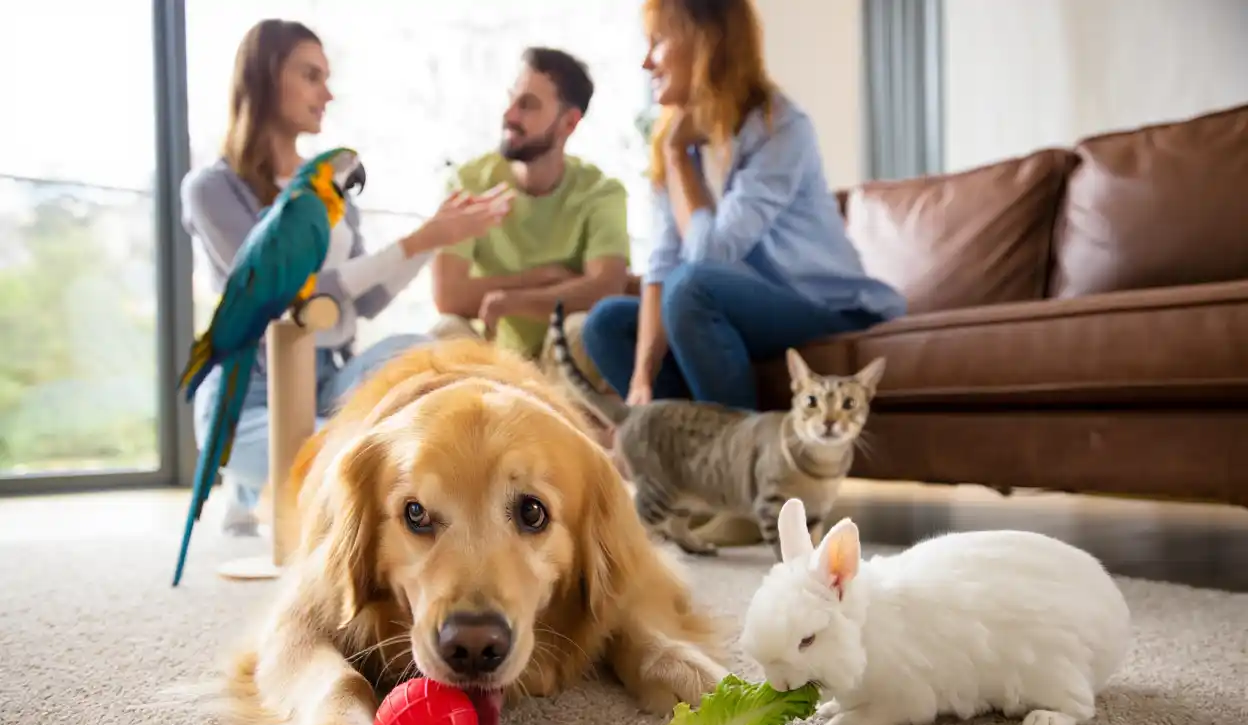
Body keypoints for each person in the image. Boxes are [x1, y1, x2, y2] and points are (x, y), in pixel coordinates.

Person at [579, 0, 907, 547]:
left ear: (706, 41)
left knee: (693, 288)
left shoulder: (781, 128)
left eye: (659, 41)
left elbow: (713, 254)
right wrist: (640, 379)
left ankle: (750, 487)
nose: (646, 61)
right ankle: (693, 485)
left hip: (819, 306)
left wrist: (679, 160)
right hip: (724, 308)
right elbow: (662, 264)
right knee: (608, 323)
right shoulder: (673, 142)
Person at [181, 19, 511, 536]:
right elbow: (294, 302)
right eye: (311, 76)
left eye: (327, 78)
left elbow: (364, 300)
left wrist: (438, 237)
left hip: (330, 380)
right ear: (266, 77)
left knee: (422, 352)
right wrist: (419, 239)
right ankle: (261, 479)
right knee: (344, 453)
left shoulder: (332, 183)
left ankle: (270, 484)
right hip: (251, 394)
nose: (327, 94)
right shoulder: (212, 190)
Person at [429, 46, 631, 394]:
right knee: (444, 331)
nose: (509, 114)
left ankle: (564, 426)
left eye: (527, 105)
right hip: (492, 355)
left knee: (582, 328)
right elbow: (448, 295)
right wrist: (541, 278)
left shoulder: (601, 192)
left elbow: (606, 287)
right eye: (511, 99)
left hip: (562, 358)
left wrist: (515, 301)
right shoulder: (469, 182)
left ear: (569, 123)